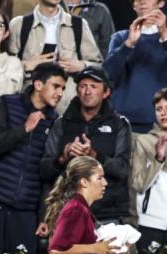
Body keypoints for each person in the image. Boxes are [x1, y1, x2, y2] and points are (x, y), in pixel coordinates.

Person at [0, 63, 65, 254]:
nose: (60, 93)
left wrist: (44, 216)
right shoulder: (7, 104)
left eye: (63, 88)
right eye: (56, 86)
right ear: (38, 84)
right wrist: (23, 129)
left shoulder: (55, 121)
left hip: (25, 210)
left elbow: (47, 176)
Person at [40, 66, 132, 226]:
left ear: (106, 93)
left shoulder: (120, 124)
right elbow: (44, 171)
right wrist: (63, 158)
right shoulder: (61, 123)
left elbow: (122, 169)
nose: (87, 91)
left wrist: (95, 156)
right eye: (82, 86)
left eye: (93, 86)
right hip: (67, 211)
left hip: (107, 214)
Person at [8, 0, 103, 114]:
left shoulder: (79, 24)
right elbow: (6, 69)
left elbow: (99, 66)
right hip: (27, 109)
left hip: (67, 111)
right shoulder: (19, 24)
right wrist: (25, 65)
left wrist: (82, 65)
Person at [104, 0, 167, 133]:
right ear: (133, 5)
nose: (142, 1)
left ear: (161, 3)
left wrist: (164, 36)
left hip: (161, 122)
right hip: (123, 122)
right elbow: (107, 76)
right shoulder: (121, 38)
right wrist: (129, 43)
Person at [130, 87, 167, 251]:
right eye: (159, 109)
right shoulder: (143, 142)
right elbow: (137, 184)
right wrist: (158, 159)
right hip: (151, 223)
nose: (163, 113)